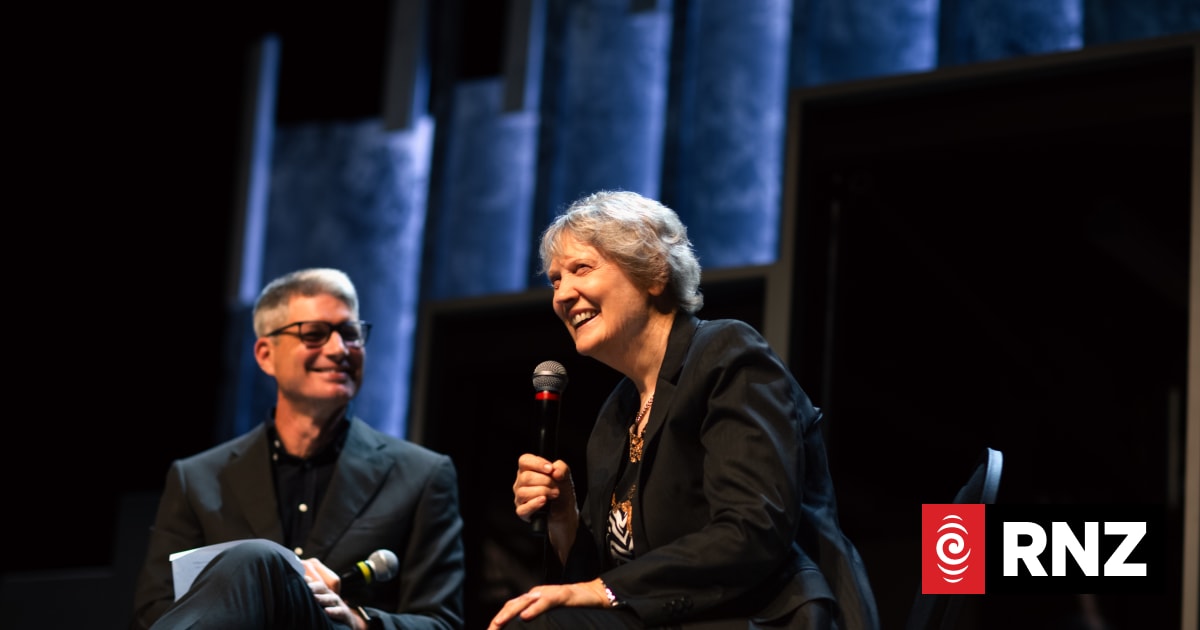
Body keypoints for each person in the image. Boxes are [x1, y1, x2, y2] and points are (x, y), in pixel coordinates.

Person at [488, 191, 879, 630]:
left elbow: (753, 529)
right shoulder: (616, 415)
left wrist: (600, 591)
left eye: (581, 269)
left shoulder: (727, 354)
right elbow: (600, 583)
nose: (563, 293)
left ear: (653, 271)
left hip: (758, 615)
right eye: (555, 280)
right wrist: (565, 521)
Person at [131, 267, 466, 630]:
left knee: (257, 557)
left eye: (350, 334)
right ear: (265, 354)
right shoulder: (195, 479)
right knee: (257, 559)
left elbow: (442, 624)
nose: (339, 349)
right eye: (315, 334)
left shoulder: (422, 475)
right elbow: (153, 614)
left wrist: (357, 620)